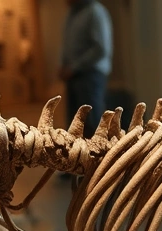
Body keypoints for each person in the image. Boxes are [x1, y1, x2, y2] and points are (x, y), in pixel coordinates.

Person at [59, 0, 113, 138]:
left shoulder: (95, 11)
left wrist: (74, 67)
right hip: (74, 76)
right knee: (76, 126)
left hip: (90, 75)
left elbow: (101, 49)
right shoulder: (72, 13)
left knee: (93, 124)